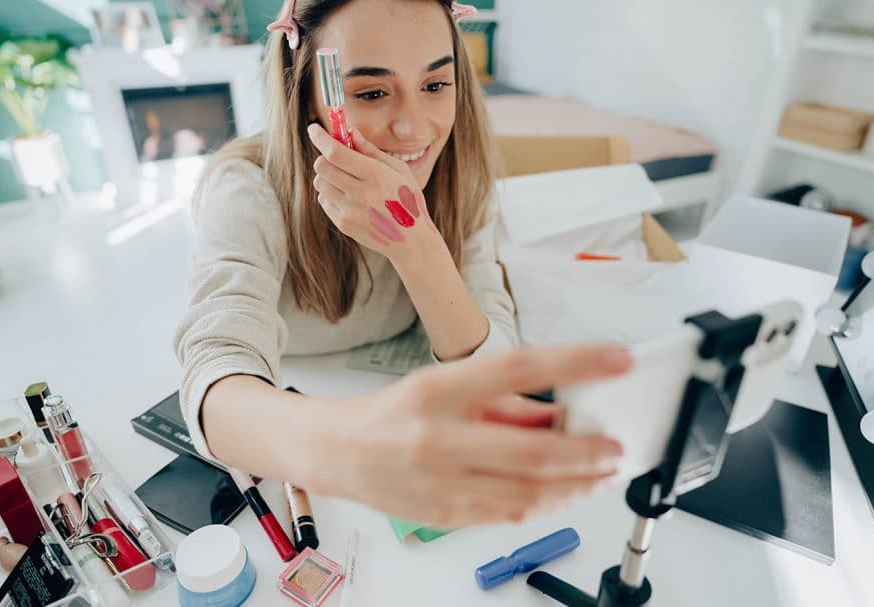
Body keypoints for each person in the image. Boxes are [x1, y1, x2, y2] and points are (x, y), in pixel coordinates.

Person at [174, 0, 629, 528]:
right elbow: (213, 376)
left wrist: (414, 241)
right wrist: (349, 449)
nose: (415, 130)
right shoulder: (248, 190)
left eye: (436, 85)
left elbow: (494, 378)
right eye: (370, 92)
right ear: (307, 98)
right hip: (306, 410)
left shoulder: (461, 176)